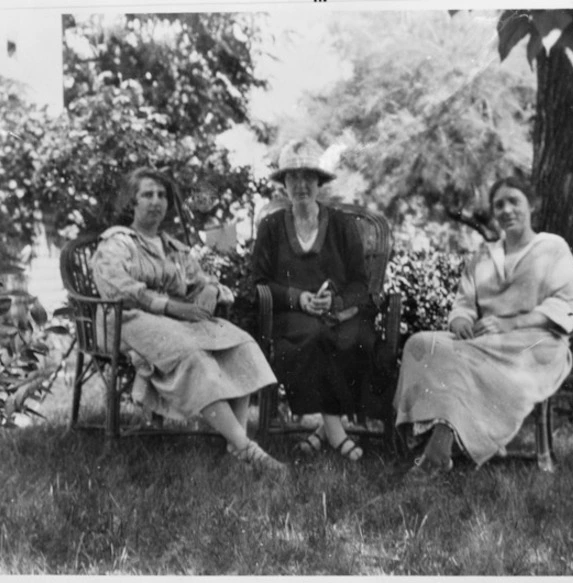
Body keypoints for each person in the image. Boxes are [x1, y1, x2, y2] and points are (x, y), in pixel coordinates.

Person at [91, 167, 287, 477]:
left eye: (161, 196)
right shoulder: (118, 243)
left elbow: (202, 280)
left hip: (173, 320)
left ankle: (234, 447)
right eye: (147, 195)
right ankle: (250, 450)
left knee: (240, 343)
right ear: (132, 202)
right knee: (191, 355)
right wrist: (170, 306)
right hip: (127, 320)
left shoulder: (173, 248)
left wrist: (209, 290)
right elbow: (115, 287)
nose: (155, 202)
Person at [394, 176, 573, 479]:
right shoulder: (483, 255)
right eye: (499, 205)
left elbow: (562, 304)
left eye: (514, 201)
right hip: (485, 340)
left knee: (468, 358)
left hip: (535, 342)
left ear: (530, 205)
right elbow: (463, 303)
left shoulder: (553, 248)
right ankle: (435, 436)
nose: (506, 210)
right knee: (420, 344)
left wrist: (511, 323)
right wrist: (462, 321)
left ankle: (438, 451)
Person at [251, 138, 376, 462]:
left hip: (338, 313)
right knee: (311, 336)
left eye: (309, 176)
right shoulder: (271, 227)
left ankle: (323, 431)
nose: (302, 184)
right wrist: (298, 297)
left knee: (357, 339)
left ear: (319, 182)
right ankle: (336, 435)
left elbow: (360, 284)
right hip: (292, 316)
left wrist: (334, 303)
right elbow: (258, 282)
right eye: (294, 177)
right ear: (284, 184)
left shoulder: (343, 225)